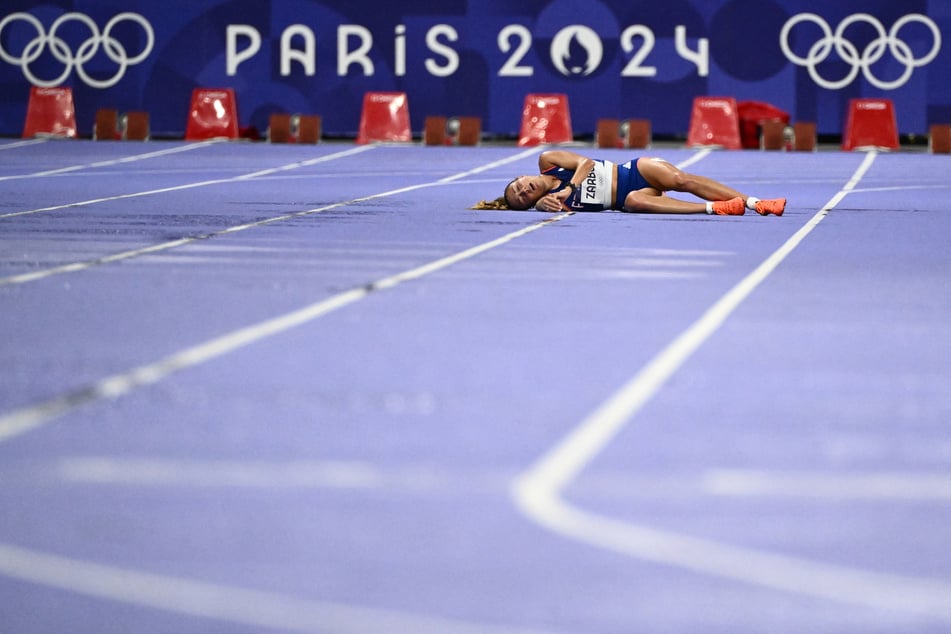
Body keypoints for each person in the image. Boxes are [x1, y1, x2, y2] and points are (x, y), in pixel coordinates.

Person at [472, 150, 785, 216]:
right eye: (522, 198)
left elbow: (587, 162)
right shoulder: (546, 203)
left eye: (518, 186)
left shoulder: (548, 160)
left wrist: (569, 187)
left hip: (634, 172)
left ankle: (754, 202)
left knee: (680, 179)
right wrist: (544, 204)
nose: (524, 191)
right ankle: (715, 208)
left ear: (520, 176)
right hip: (630, 196)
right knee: (634, 203)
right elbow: (559, 212)